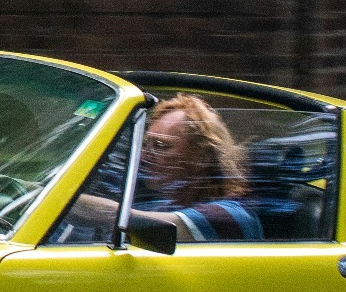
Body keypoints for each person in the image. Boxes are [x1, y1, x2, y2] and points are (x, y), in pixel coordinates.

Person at [58, 93, 262, 242]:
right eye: (145, 144)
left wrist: (53, 198)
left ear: (202, 157)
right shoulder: (162, 205)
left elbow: (120, 217)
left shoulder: (231, 216)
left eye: (161, 146)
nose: (145, 156)